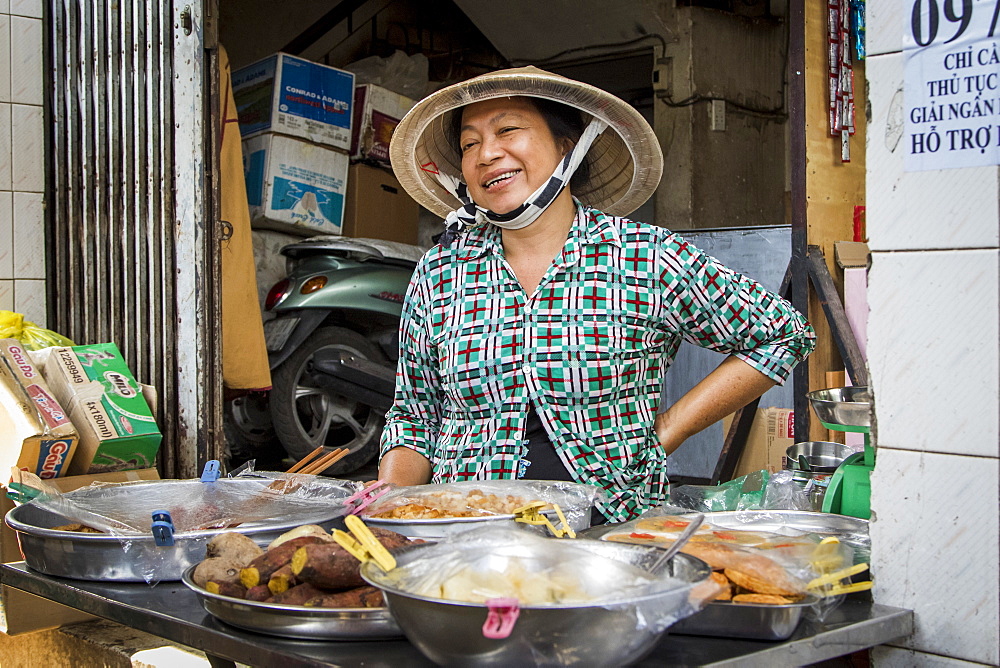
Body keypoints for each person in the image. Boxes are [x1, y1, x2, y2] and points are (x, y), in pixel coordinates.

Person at [378, 66, 815, 522]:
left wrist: (668, 430)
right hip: (470, 532)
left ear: (567, 145)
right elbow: (415, 414)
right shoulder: (441, 271)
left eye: (507, 130)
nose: (487, 153)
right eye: (470, 143)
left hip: (611, 533)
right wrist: (385, 502)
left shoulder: (642, 255)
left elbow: (781, 334)